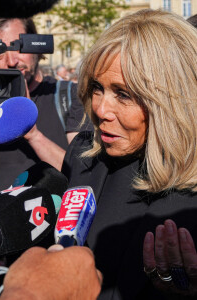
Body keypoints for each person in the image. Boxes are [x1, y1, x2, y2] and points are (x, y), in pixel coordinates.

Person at [60, 9, 197, 300]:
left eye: (123, 94)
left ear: (173, 101)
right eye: (97, 88)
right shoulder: (83, 156)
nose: (100, 109)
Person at [0, 17, 88, 191]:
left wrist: (32, 133)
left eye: (18, 46)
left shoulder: (69, 94)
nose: (12, 61)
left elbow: (82, 173)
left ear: (36, 45)